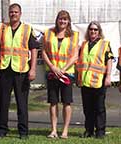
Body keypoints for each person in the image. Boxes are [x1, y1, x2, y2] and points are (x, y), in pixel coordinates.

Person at [0, 3, 39, 139]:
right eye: (11, 12)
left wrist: (33, 69)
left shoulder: (27, 29)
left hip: (21, 71)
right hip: (4, 70)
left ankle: (23, 132)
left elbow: (34, 50)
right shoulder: (2, 28)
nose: (13, 14)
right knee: (3, 102)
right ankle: (2, 130)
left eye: (16, 12)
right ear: (9, 13)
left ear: (20, 14)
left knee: (22, 103)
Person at [41, 10, 79, 139]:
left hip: (66, 73)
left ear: (68, 21)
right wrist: (52, 67)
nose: (62, 21)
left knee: (66, 102)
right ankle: (53, 130)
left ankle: (65, 131)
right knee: (53, 102)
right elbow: (44, 52)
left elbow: (75, 56)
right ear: (57, 20)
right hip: (52, 72)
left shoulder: (74, 35)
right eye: (60, 19)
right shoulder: (48, 33)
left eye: (65, 19)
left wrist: (63, 69)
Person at [76, 21, 113, 139]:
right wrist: (78, 77)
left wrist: (108, 76)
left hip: (99, 81)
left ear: (99, 32)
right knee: (87, 108)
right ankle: (89, 130)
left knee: (99, 108)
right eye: (91, 29)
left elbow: (109, 60)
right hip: (85, 81)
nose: (93, 31)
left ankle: (100, 131)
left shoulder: (104, 44)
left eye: (95, 30)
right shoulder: (84, 44)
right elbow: (79, 62)